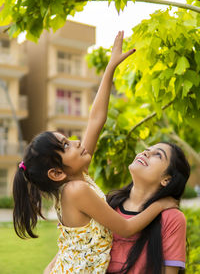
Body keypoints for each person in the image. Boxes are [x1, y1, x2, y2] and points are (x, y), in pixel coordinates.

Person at [12, 31, 177, 274]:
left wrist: (110, 67)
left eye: (69, 139)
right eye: (66, 145)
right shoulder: (75, 190)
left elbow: (96, 118)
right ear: (57, 173)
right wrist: (161, 204)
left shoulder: (77, 177)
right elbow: (125, 228)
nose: (77, 142)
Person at [107, 142, 190, 274]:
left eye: (158, 154)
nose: (145, 153)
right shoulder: (108, 204)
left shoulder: (172, 217)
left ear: (167, 179)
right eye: (146, 149)